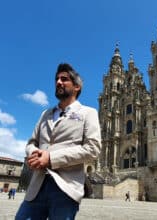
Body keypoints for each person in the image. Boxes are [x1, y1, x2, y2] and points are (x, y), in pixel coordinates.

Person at [15, 63, 101, 220]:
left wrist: (51, 158)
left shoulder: (88, 113)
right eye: (57, 79)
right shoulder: (45, 114)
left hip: (65, 188)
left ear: (77, 87)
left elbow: (93, 149)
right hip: (36, 187)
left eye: (64, 79)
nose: (58, 82)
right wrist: (34, 154)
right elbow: (31, 143)